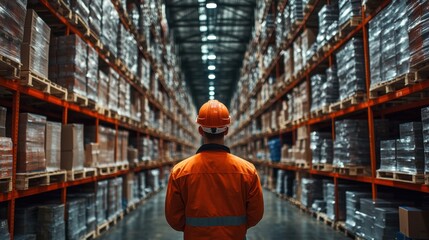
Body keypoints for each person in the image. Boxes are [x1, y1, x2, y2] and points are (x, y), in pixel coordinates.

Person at [165, 99, 264, 240]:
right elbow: (255, 214)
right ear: (227, 130)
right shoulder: (247, 171)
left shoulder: (180, 171)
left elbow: (174, 218)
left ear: (200, 130)